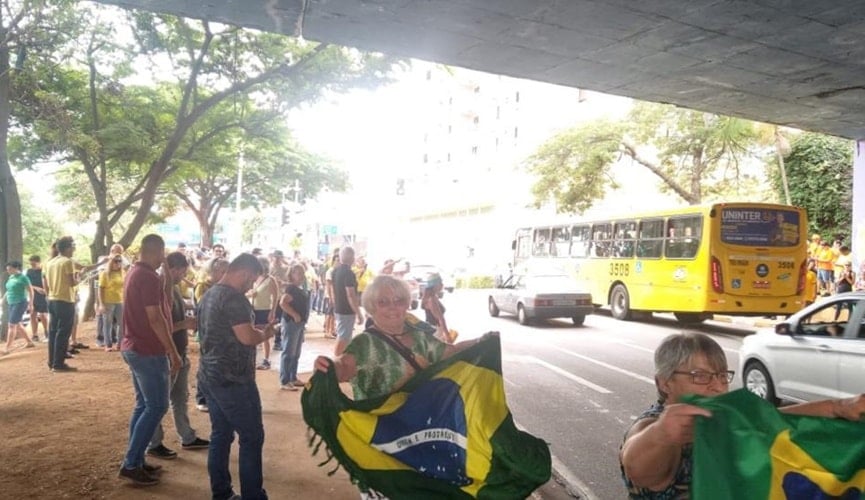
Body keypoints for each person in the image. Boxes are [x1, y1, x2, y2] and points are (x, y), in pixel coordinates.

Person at [619, 332, 865, 499]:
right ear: (664, 383)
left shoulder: (719, 420)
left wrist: (837, 407)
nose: (717, 386)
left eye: (721, 375)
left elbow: (774, 421)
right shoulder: (654, 425)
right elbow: (636, 467)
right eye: (700, 376)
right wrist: (662, 434)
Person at [313, 275, 484, 401]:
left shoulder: (420, 337)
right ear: (371, 307)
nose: (393, 307)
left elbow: (451, 352)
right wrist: (327, 366)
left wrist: (482, 341)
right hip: (380, 430)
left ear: (407, 304)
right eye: (383, 302)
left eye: (399, 300)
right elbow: (342, 367)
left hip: (419, 427)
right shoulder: (364, 344)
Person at [196, 253, 277, 500]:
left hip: (210, 375)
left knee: (220, 434)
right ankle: (253, 495)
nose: (251, 286)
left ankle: (221, 493)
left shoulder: (209, 294)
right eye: (251, 280)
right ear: (244, 273)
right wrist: (266, 333)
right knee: (252, 436)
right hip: (234, 380)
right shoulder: (234, 299)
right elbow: (247, 337)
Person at [118, 234, 182, 486]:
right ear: (158, 252)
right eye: (162, 255)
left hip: (134, 346)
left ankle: (135, 459)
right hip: (147, 350)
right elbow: (155, 318)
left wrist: (164, 269)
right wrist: (172, 351)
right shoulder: (147, 277)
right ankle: (131, 463)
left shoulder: (135, 272)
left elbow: (163, 299)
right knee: (156, 406)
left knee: (143, 405)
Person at [147, 252, 210, 459]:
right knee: (159, 401)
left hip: (180, 350)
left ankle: (187, 436)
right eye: (182, 272)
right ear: (173, 270)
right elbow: (158, 327)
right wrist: (184, 324)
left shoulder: (173, 289)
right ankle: (154, 442)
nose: (183, 276)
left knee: (180, 398)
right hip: (169, 352)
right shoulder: (160, 290)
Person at [192, 257, 229, 413]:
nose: (225, 274)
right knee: (206, 363)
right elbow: (206, 307)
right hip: (207, 330)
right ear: (214, 271)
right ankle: (202, 398)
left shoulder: (223, 288)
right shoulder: (203, 286)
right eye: (223, 271)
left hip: (220, 332)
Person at [43, 236, 80, 372]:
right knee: (63, 332)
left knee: (53, 331)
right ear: (68, 248)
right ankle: (58, 364)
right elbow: (72, 283)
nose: (74, 249)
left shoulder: (50, 262)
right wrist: (79, 277)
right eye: (73, 246)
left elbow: (46, 282)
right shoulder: (67, 262)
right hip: (65, 300)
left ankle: (52, 361)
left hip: (52, 299)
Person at [278, 263, 309, 391]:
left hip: (299, 323)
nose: (301, 276)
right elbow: (283, 303)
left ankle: (292, 377)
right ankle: (285, 380)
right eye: (298, 273)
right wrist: (294, 314)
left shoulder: (298, 288)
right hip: (291, 323)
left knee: (295, 352)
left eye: (302, 273)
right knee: (289, 351)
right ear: (291, 274)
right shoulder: (291, 289)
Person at [331, 247, 364, 356]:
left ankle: (340, 359)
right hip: (346, 310)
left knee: (344, 336)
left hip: (339, 307)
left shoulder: (335, 271)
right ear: (351, 257)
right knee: (343, 337)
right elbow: (350, 295)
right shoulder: (349, 273)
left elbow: (334, 290)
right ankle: (336, 361)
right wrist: (358, 313)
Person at [248, 256, 279, 370]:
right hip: (253, 309)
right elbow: (247, 292)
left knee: (264, 335)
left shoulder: (270, 280)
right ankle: (252, 359)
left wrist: (273, 311)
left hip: (264, 310)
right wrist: (250, 294)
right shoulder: (255, 278)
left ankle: (266, 360)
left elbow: (276, 297)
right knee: (252, 333)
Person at [3, 260, 35, 354]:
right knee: (18, 324)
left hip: (20, 303)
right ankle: (29, 342)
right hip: (11, 303)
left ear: (16, 268)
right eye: (7, 269)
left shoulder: (23, 278)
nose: (8, 271)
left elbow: (31, 291)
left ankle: (7, 348)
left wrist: (31, 304)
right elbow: (8, 290)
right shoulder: (11, 277)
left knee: (12, 325)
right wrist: (3, 300)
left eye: (10, 269)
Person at [98, 254, 126, 351]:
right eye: (115, 261)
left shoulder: (122, 273)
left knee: (122, 323)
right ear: (111, 262)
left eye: (119, 261)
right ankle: (108, 344)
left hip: (120, 301)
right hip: (108, 301)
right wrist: (101, 304)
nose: (118, 263)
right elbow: (100, 289)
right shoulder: (105, 274)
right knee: (107, 323)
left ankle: (120, 343)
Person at [25, 256, 48, 342]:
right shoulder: (29, 271)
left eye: (34, 264)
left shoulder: (44, 271)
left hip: (43, 295)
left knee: (43, 315)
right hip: (33, 295)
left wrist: (46, 290)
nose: (32, 266)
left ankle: (47, 332)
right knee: (32, 314)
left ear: (39, 262)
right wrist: (36, 288)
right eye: (31, 264)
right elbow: (27, 284)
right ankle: (35, 334)